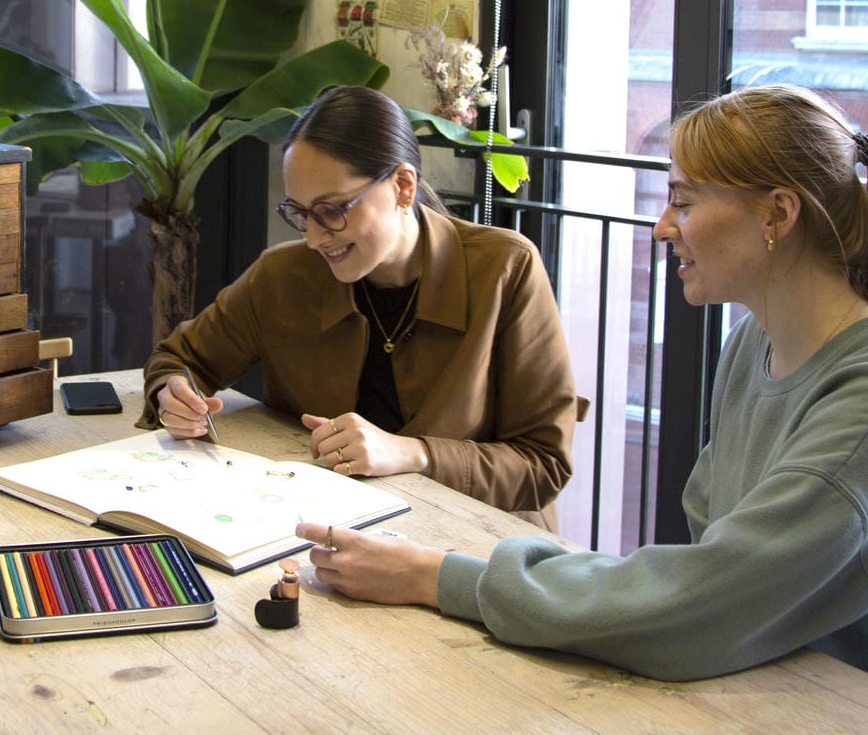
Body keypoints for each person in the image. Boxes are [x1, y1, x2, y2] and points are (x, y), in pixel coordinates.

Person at [296, 83, 868, 681]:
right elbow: (708, 574)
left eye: (685, 203)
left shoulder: (854, 404)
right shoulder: (753, 344)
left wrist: (433, 577)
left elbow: (699, 601)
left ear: (779, 213)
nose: (662, 227)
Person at [142, 85, 584, 524]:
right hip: (325, 527)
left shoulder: (505, 268)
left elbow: (543, 463)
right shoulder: (283, 275)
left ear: (403, 186)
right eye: (299, 213)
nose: (314, 238)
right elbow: (180, 358)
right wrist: (173, 395)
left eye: (332, 210)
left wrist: (414, 453)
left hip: (476, 551)